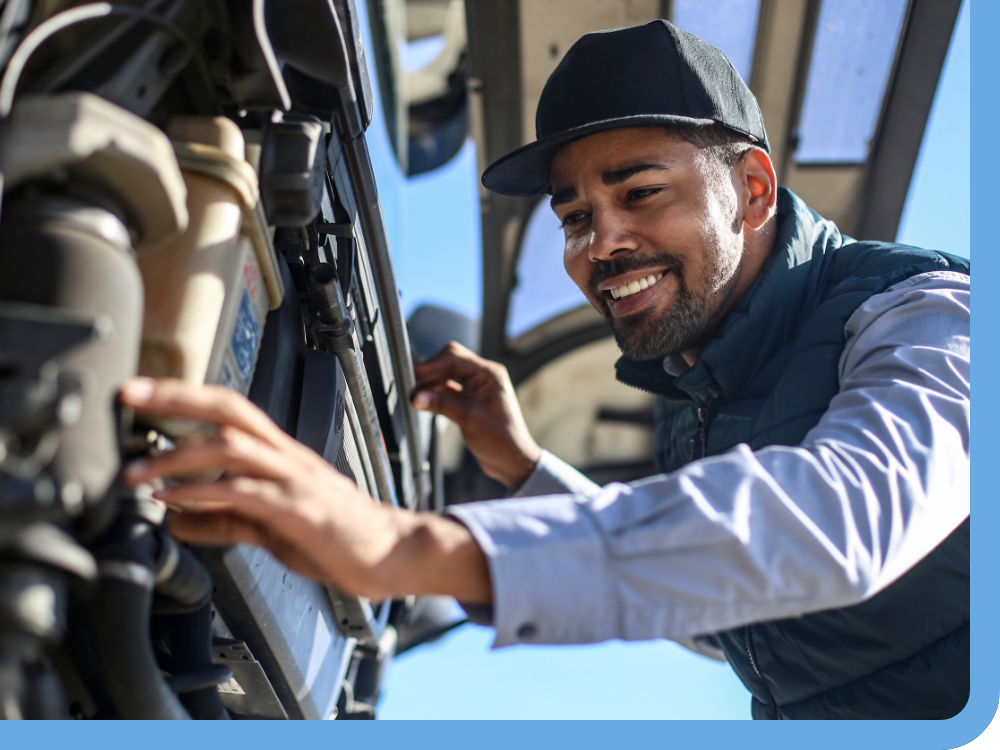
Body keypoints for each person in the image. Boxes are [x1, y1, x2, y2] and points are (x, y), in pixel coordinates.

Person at [119, 21, 970, 719]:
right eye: (573, 217)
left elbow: (846, 519)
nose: (601, 245)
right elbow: (737, 620)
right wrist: (524, 472)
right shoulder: (694, 385)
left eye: (639, 194)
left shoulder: (929, 313)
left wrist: (408, 545)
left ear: (751, 190)